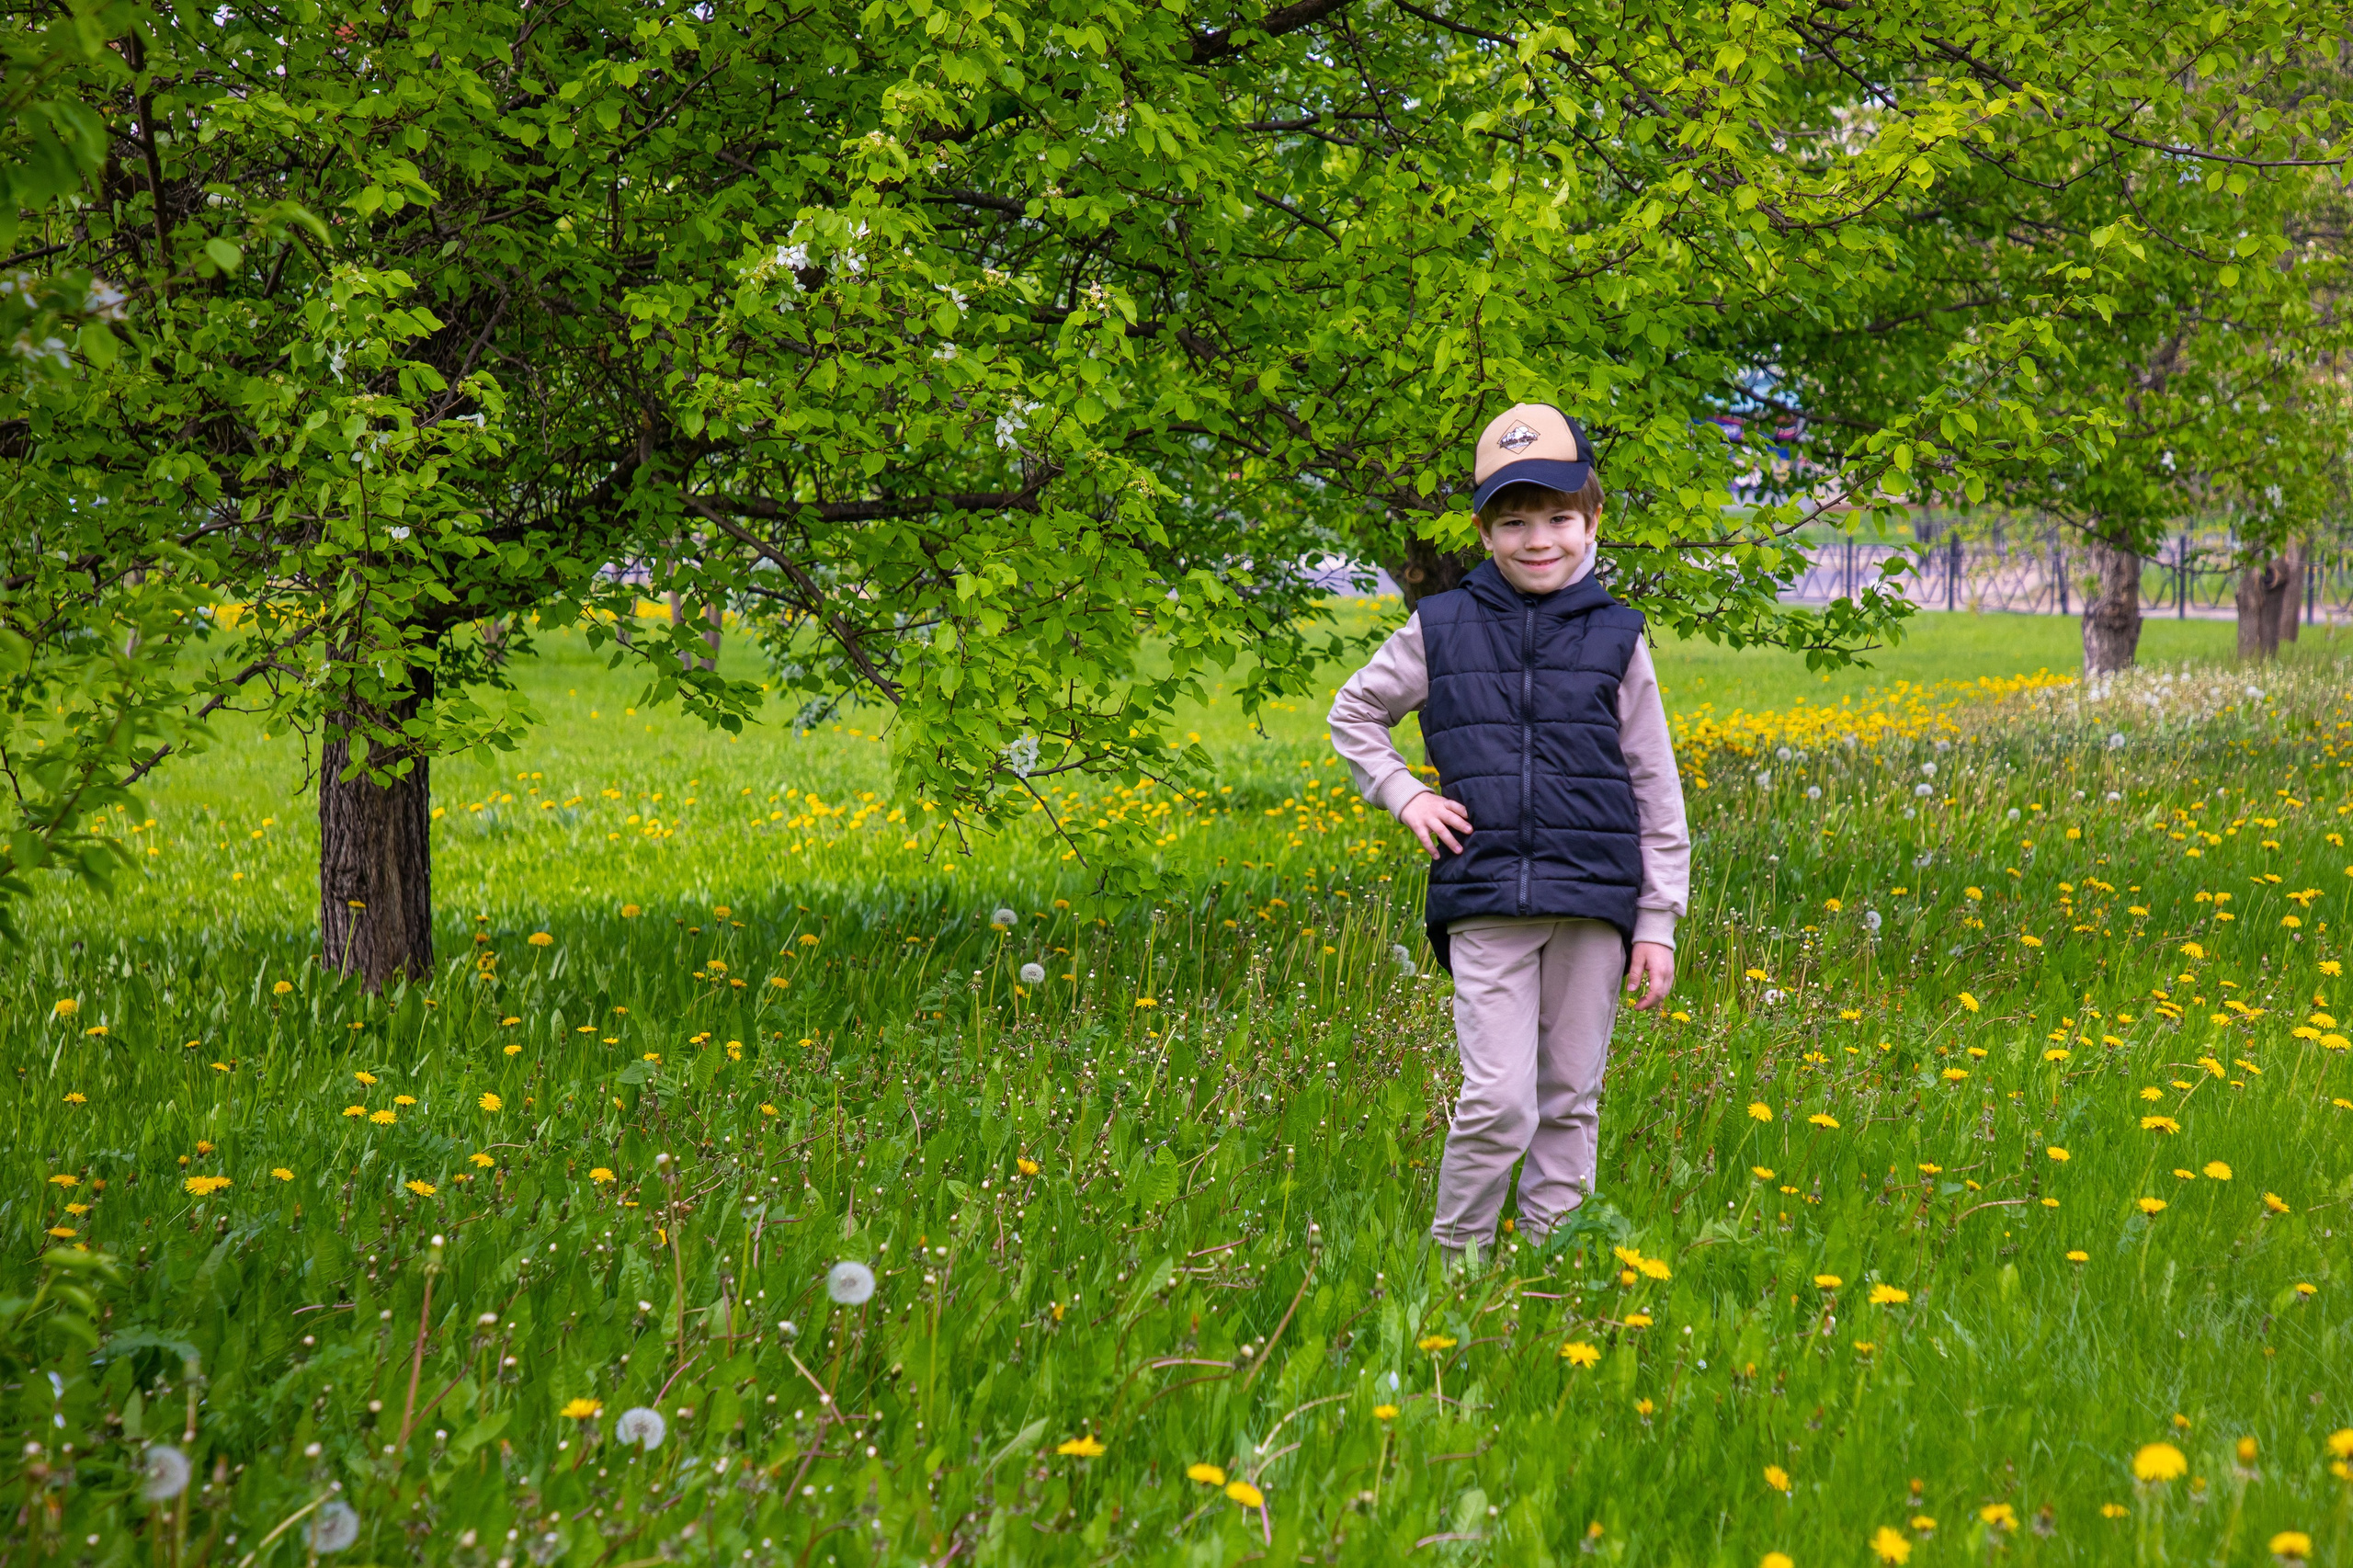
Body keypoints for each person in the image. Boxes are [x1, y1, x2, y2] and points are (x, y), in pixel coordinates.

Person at [1328, 403, 1690, 1266]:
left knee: (1569, 1097)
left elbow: (1655, 786)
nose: (1540, 540)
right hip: (1484, 892)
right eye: (1515, 521)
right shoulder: (1441, 627)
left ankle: (1554, 1268)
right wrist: (1403, 793)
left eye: (1560, 517)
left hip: (1594, 901)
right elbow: (1355, 712)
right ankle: (1456, 1261)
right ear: (1486, 529)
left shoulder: (1618, 636)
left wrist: (1657, 922)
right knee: (1499, 1100)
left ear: (1593, 519)